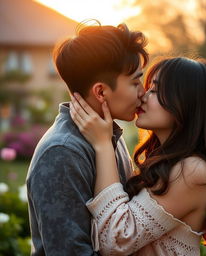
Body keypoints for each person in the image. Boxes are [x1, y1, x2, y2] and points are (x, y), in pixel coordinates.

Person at [70, 56, 206, 255]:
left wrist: (102, 144)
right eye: (147, 86)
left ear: (186, 102)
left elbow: (115, 241)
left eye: (156, 90)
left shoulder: (194, 170)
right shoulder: (169, 163)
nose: (143, 95)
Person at [26, 21, 148, 255]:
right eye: (135, 82)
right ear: (101, 92)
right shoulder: (62, 152)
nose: (143, 91)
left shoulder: (108, 134)